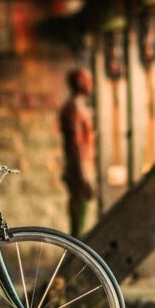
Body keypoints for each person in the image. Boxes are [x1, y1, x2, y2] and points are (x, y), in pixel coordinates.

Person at [59, 68, 97, 236]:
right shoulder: (73, 110)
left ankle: (78, 252)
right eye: (88, 80)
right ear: (80, 83)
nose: (91, 84)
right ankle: (77, 255)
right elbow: (77, 145)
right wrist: (85, 176)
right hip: (78, 171)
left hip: (82, 168)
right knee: (79, 218)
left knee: (82, 214)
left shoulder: (77, 107)